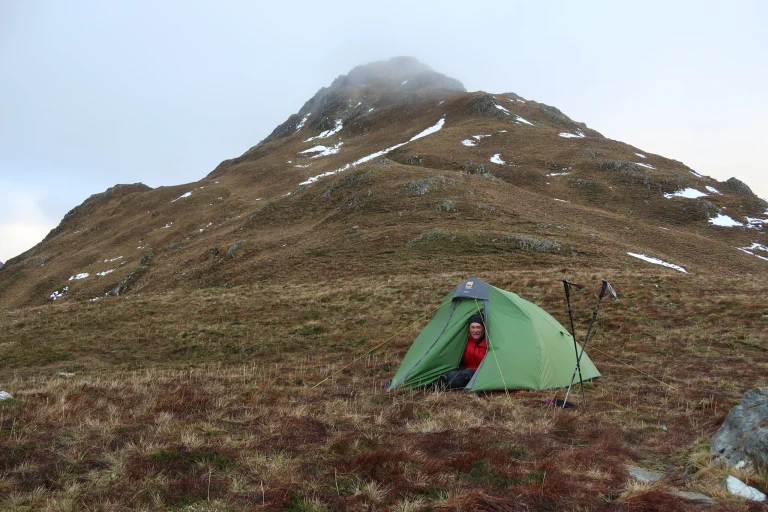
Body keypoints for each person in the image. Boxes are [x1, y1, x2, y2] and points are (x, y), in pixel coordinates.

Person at [438, 313, 488, 389]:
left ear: (484, 328)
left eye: (478, 327)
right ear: (469, 328)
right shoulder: (465, 340)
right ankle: (442, 382)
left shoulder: (489, 343)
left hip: (481, 374)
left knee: (459, 378)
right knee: (453, 374)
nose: (475, 330)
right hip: (465, 371)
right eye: (473, 327)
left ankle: (445, 384)